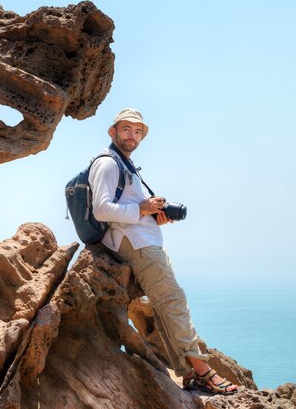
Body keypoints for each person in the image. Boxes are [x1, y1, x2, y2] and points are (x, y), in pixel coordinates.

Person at [88, 108, 238, 395]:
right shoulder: (107, 163)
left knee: (164, 304)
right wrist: (143, 209)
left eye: (137, 131)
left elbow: (128, 209)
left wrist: (153, 214)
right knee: (173, 301)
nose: (132, 135)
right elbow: (101, 208)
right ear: (113, 131)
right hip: (135, 244)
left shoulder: (127, 166)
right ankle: (203, 371)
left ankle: (188, 373)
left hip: (144, 240)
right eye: (126, 129)